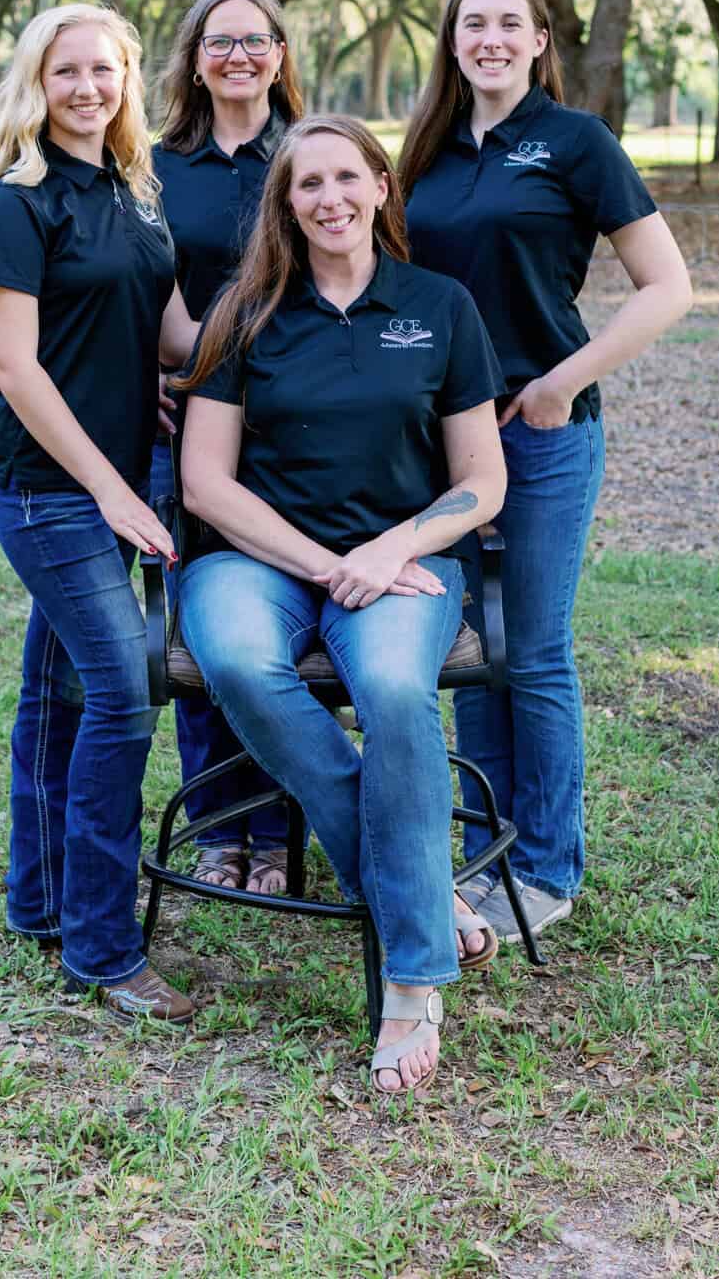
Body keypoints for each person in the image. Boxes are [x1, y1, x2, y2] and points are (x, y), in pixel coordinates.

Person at [175, 116, 508, 1095]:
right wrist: (327, 565)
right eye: (304, 184)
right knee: (236, 659)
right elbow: (205, 483)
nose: (328, 198)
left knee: (400, 692)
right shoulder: (245, 311)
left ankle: (412, 980)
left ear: (379, 187)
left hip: (401, 566)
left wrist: (395, 544)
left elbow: (481, 480)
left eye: (345, 177)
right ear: (285, 205)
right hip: (259, 561)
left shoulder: (441, 307)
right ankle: (421, 893)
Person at [400, 0, 693, 945]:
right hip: (446, 440)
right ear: (451, 41)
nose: (488, 37)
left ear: (537, 42)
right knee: (474, 651)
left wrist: (565, 379)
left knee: (534, 648)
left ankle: (546, 864)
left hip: (546, 434)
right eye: (471, 22)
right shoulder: (425, 152)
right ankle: (485, 851)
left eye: (508, 23)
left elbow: (665, 285)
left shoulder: (576, 142)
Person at [0, 2, 198, 1021]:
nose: (89, 88)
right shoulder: (17, 203)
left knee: (57, 694)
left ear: (127, 80)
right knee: (119, 694)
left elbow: (174, 331)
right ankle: (104, 950)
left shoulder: (137, 189)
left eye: (105, 70)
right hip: (47, 489)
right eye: (68, 71)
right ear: (36, 82)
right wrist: (109, 484)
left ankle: (42, 899)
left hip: (116, 479)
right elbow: (15, 367)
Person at [151, 0, 304, 896]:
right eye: (220, 42)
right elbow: (127, 283)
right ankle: (217, 824)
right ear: (196, 61)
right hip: (193, 428)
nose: (239, 56)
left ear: (280, 56)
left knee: (275, 630)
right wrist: (145, 374)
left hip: (296, 434)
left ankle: (280, 831)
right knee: (203, 629)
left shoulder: (312, 155)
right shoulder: (157, 166)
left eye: (256, 41)